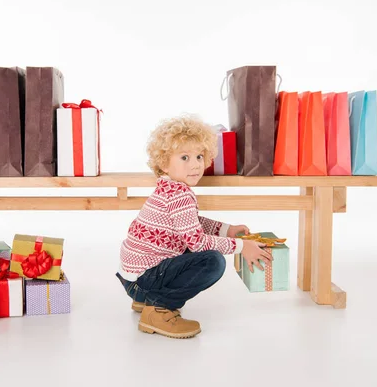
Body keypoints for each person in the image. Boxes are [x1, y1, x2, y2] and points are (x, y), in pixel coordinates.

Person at [116, 115, 273, 339]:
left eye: (199, 156)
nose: (196, 164)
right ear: (163, 163)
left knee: (194, 246)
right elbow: (197, 242)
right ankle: (159, 309)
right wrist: (241, 246)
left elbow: (191, 223)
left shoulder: (168, 188)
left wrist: (226, 229)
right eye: (185, 157)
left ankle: (145, 300)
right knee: (213, 260)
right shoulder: (180, 194)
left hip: (133, 279)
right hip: (145, 278)